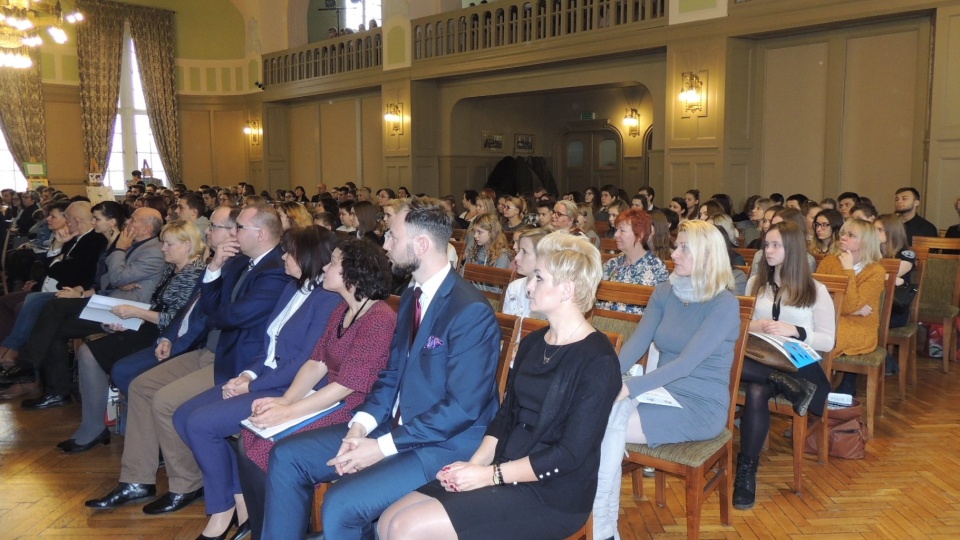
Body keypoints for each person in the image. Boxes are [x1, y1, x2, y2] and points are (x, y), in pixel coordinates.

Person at [260, 197, 502, 539]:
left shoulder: (468, 311)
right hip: (397, 428)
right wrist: (359, 428)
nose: (384, 244)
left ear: (421, 244)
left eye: (393, 237)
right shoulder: (411, 298)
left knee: (341, 504)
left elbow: (462, 408)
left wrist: (382, 447)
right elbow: (390, 376)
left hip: (442, 445)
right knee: (288, 456)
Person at [378, 232, 620, 540]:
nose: (528, 286)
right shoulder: (535, 342)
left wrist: (489, 476)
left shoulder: (598, 360)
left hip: (553, 494)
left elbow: (569, 454)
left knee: (404, 528)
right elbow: (505, 417)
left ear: (567, 289)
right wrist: (474, 464)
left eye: (538, 278)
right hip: (502, 468)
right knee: (389, 520)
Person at [84, 204, 291, 515]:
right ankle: (137, 479)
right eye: (229, 228)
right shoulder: (236, 263)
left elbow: (231, 315)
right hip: (209, 348)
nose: (230, 234)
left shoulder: (275, 268)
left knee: (165, 401)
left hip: (236, 361)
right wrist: (215, 268)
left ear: (259, 234)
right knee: (141, 386)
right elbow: (207, 306)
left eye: (236, 229)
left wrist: (215, 308)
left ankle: (186, 483)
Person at [173, 227, 343, 539]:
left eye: (289, 252)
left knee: (200, 424)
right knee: (182, 416)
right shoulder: (293, 287)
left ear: (307, 257)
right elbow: (268, 345)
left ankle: (222, 510)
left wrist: (252, 386)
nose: (282, 257)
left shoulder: (328, 299)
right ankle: (240, 500)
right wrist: (247, 375)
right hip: (265, 379)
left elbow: (303, 362)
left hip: (291, 389)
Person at [235, 238, 396, 537]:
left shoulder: (379, 319)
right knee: (250, 438)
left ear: (354, 273)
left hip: (359, 413)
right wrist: (283, 402)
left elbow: (346, 387)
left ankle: (283, 529)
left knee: (271, 446)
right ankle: (265, 528)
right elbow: (316, 363)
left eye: (333, 262)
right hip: (334, 401)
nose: (325, 266)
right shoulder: (343, 310)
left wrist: (288, 413)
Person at [592, 220, 741, 539]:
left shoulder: (724, 304)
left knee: (600, 422)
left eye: (684, 247)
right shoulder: (666, 291)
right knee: (601, 416)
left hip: (699, 404)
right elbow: (636, 343)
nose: (675, 253)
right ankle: (601, 524)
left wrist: (625, 388)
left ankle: (600, 524)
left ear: (707, 255)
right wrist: (606, 377)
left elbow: (687, 363)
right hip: (659, 391)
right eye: (677, 245)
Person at [61, 221, 207, 454]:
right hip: (151, 328)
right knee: (88, 352)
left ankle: (107, 428)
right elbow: (158, 306)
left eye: (169, 244)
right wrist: (129, 320)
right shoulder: (174, 268)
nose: (163, 249)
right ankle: (95, 425)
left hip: (170, 338)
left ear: (187, 246)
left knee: (96, 356)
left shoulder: (195, 273)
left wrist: (136, 313)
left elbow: (177, 320)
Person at [1, 208, 168, 408]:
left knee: (54, 307)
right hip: (111, 301)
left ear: (147, 228)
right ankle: (56, 391)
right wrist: (118, 278)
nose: (128, 222)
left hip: (128, 310)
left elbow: (115, 276)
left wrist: (119, 252)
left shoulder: (154, 250)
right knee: (54, 323)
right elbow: (107, 277)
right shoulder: (137, 245)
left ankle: (28, 365)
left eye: (133, 220)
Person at [734, 221, 836, 509]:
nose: (768, 250)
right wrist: (757, 325)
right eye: (766, 244)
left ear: (792, 249)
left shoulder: (815, 289)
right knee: (747, 377)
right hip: (763, 358)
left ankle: (746, 471)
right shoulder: (757, 284)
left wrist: (795, 331)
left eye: (775, 245)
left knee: (754, 386)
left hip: (801, 365)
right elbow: (740, 324)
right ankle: (747, 472)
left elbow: (828, 341)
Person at [816, 218, 885, 396]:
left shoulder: (876, 272)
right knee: (805, 332)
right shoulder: (829, 262)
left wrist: (849, 271)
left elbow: (848, 304)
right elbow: (817, 298)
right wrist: (853, 309)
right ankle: (810, 389)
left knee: (825, 338)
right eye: (844, 233)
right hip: (830, 319)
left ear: (865, 242)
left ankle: (816, 392)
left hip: (859, 328)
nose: (843, 237)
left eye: (851, 235)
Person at [597, 208, 669, 315]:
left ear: (639, 235)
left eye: (622, 230)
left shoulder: (657, 267)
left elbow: (662, 309)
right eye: (617, 230)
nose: (616, 234)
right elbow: (598, 300)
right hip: (606, 323)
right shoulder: (612, 264)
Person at [502, 228, 548, 318]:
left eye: (524, 252)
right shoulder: (514, 287)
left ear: (541, 256)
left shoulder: (549, 293)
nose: (517, 257)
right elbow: (506, 325)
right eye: (519, 251)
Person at [462, 213, 512, 293]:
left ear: (491, 233)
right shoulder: (473, 252)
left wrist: (472, 284)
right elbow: (463, 277)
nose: (475, 235)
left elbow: (496, 290)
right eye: (475, 232)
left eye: (479, 232)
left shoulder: (502, 257)